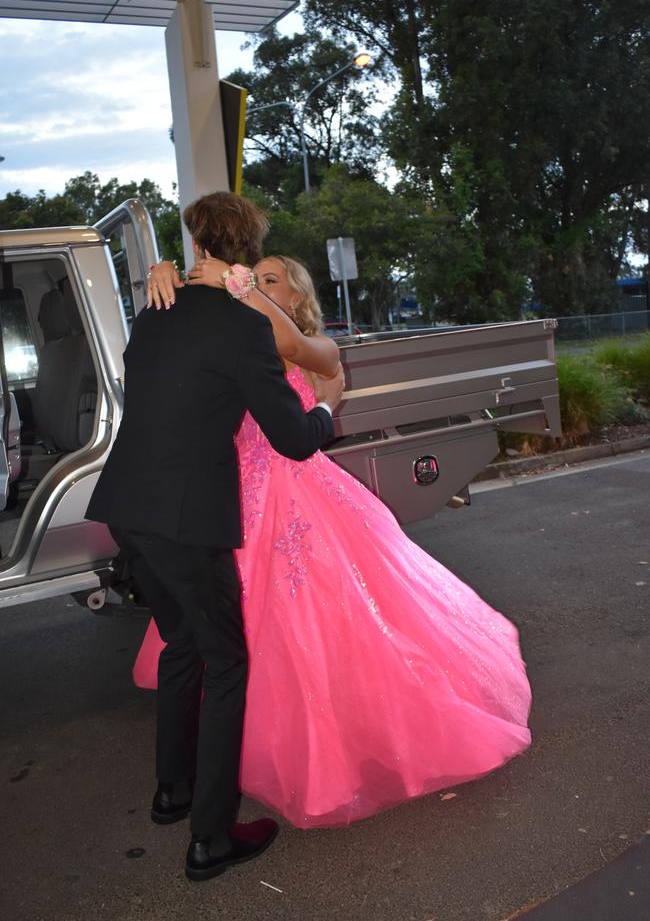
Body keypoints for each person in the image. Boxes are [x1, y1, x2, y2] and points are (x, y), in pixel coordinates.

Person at [137, 251, 533, 829]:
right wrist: (164, 265)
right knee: (228, 631)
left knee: (329, 617)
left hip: (301, 490)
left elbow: (313, 390)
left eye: (269, 280)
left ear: (295, 297)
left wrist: (245, 298)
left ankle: (316, 748)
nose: (250, 285)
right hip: (238, 492)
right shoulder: (237, 333)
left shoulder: (300, 344)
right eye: (253, 277)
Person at [85, 193, 344, 882]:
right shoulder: (241, 326)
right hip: (183, 521)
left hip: (126, 509)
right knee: (226, 662)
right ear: (250, 251)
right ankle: (210, 838)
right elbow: (291, 440)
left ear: (196, 243)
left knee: (183, 646)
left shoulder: (156, 311)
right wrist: (323, 412)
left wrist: (164, 271)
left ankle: (171, 791)